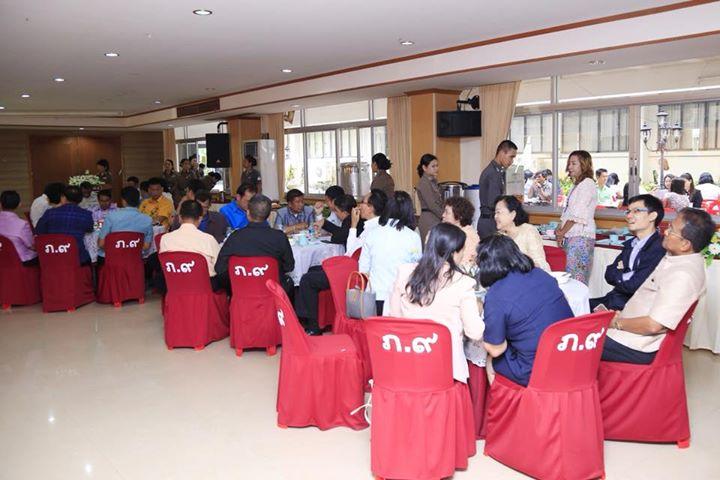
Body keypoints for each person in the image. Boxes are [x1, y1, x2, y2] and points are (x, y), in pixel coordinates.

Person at [602, 208, 715, 364]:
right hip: (631, 330)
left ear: (685, 244)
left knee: (574, 339)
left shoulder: (683, 275)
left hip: (638, 344)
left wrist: (616, 323)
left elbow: (653, 325)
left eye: (671, 230)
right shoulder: (679, 259)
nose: (665, 232)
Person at [389, 223, 484, 383]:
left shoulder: (405, 272)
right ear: (454, 252)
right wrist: (478, 308)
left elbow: (394, 318)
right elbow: (475, 333)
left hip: (409, 361)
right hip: (446, 370)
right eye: (462, 249)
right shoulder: (463, 283)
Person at [477, 235, 573, 386]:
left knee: (490, 359)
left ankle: (504, 400)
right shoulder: (540, 274)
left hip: (535, 369)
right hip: (569, 354)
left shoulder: (497, 294)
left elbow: (495, 349)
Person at [296, 195, 365, 335]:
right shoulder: (362, 223)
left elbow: (339, 237)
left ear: (343, 212)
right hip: (350, 266)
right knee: (312, 270)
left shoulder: (353, 223)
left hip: (350, 271)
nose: (337, 215)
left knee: (306, 279)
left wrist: (326, 223)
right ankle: (312, 317)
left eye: (337, 212)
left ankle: (312, 324)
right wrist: (325, 223)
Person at [590, 194, 666, 312]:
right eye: (628, 211)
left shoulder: (658, 247)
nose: (629, 216)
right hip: (614, 299)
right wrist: (627, 275)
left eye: (636, 211)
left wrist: (620, 274)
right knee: (571, 305)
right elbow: (608, 274)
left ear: (652, 216)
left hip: (632, 308)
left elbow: (636, 285)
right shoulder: (631, 244)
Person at [215, 195, 295, 296]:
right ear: (269, 215)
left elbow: (220, 268)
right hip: (272, 292)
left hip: (242, 293)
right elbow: (289, 266)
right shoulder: (279, 237)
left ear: (248, 213)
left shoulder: (235, 237)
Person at [359, 191, 423, 314]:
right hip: (402, 299)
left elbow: (363, 269)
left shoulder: (373, 233)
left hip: (375, 297)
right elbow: (416, 269)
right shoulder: (413, 236)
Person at [160, 200, 222, 290]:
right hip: (203, 286)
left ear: (180, 217)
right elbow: (219, 266)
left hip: (175, 284)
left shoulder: (165, 239)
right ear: (200, 219)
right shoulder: (208, 239)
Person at [555, 150, 597, 284]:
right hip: (572, 236)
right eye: (569, 164)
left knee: (576, 279)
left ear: (584, 165)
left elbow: (577, 214)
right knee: (570, 277)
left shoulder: (587, 184)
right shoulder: (577, 185)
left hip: (581, 237)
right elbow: (568, 211)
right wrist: (559, 229)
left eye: (573, 164)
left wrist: (562, 232)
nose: (569, 167)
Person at [36, 185, 94, 265]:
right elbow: (90, 229)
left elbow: (39, 231)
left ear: (63, 197)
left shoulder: (50, 213)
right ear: (80, 199)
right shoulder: (86, 214)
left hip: (53, 256)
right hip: (77, 257)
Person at [493, 195, 550, 271]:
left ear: (512, 214)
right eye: (495, 213)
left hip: (531, 275)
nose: (495, 216)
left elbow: (540, 263)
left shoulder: (528, 231)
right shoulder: (499, 235)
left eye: (498, 212)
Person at [97, 187, 153, 263]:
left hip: (113, 260)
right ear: (138, 201)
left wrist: (117, 249)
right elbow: (146, 246)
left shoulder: (111, 216)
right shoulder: (147, 219)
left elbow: (101, 244)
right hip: (134, 261)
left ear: (123, 201)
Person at [477, 140, 518, 239]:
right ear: (502, 152)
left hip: (492, 220)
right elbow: (494, 203)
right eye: (511, 157)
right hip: (490, 222)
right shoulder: (492, 173)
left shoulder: (498, 172)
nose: (512, 161)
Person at [345, 189, 387, 258]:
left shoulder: (371, 230)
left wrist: (353, 225)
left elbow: (350, 254)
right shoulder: (380, 225)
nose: (359, 206)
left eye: (362, 202)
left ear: (371, 208)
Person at [441, 196, 480, 268]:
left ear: (459, 216)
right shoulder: (452, 233)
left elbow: (466, 266)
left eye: (447, 212)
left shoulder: (468, 237)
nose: (443, 215)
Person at [0, 190, 37, 264]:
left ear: (0, 204)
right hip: (21, 260)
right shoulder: (22, 224)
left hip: (2, 260)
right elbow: (32, 246)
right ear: (19, 204)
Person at [415, 153, 444, 243]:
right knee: (430, 247)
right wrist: (444, 216)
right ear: (424, 168)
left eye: (437, 166)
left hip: (436, 217)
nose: (436, 168)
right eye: (433, 166)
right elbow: (432, 205)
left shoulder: (433, 181)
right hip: (429, 219)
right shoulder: (424, 183)